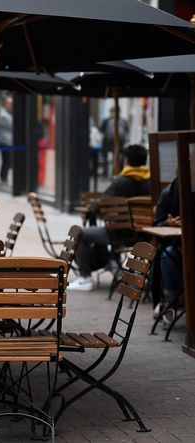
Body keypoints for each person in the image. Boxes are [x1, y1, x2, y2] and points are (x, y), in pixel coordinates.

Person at [68, 144, 151, 291]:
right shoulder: (151, 182)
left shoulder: (121, 182)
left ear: (126, 161)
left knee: (80, 233)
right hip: (145, 235)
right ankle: (111, 263)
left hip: (119, 235)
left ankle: (85, 278)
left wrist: (93, 208)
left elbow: (100, 205)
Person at [152, 177, 182, 319]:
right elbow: (157, 223)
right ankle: (171, 301)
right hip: (176, 245)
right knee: (168, 255)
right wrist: (168, 223)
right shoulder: (169, 193)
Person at [99, 106, 130, 177]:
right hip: (109, 142)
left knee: (120, 157)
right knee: (106, 158)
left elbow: (126, 131)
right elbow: (102, 130)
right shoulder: (107, 121)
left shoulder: (123, 121)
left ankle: (117, 172)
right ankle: (106, 173)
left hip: (119, 142)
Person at [0, 94, 13, 183]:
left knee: (7, 161)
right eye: (9, 104)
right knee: (6, 161)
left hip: (8, 141)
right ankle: (3, 178)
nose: (11, 106)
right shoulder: (3, 115)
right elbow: (12, 125)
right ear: (5, 104)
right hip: (5, 141)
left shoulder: (6, 114)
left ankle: (4, 178)